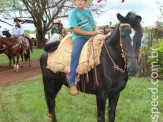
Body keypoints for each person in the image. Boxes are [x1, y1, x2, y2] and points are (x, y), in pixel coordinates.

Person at [68, 0, 100, 95]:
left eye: (82, 0)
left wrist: (96, 31)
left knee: (103, 49)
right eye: (78, 0)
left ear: (85, 2)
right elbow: (75, 29)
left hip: (92, 36)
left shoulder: (88, 12)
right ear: (75, 2)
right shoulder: (73, 14)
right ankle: (72, 82)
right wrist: (91, 33)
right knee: (75, 54)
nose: (80, 2)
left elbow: (94, 26)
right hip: (79, 37)